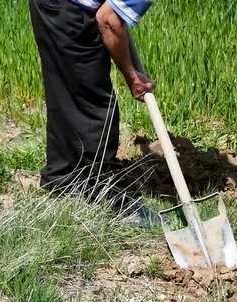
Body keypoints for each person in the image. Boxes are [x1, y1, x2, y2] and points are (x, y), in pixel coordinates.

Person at [28, 0, 159, 226]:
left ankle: (64, 179)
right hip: (69, 10)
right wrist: (131, 76)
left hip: (49, 5)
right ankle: (100, 192)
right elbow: (108, 20)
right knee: (94, 105)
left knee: (68, 93)